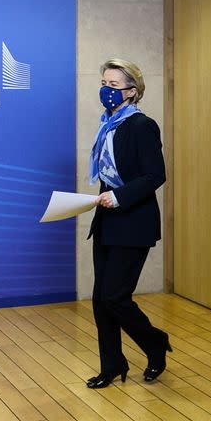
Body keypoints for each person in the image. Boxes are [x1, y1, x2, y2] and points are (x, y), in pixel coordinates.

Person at [85, 59, 172, 389]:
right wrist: (107, 198)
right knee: (100, 299)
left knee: (115, 297)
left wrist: (119, 196)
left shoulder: (141, 125)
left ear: (132, 92)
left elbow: (155, 175)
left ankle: (154, 343)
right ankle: (112, 365)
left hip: (134, 223)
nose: (105, 90)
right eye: (103, 82)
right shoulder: (107, 124)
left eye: (113, 85)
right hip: (107, 222)